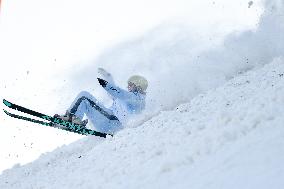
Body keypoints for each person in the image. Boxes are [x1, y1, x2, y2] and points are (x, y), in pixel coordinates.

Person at [55, 68, 148, 134]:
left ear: (138, 86)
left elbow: (119, 92)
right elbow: (115, 93)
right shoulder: (126, 100)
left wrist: (106, 85)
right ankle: (72, 118)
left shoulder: (137, 99)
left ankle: (71, 119)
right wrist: (108, 76)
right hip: (108, 122)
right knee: (85, 100)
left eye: (131, 85)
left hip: (113, 121)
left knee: (84, 96)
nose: (128, 87)